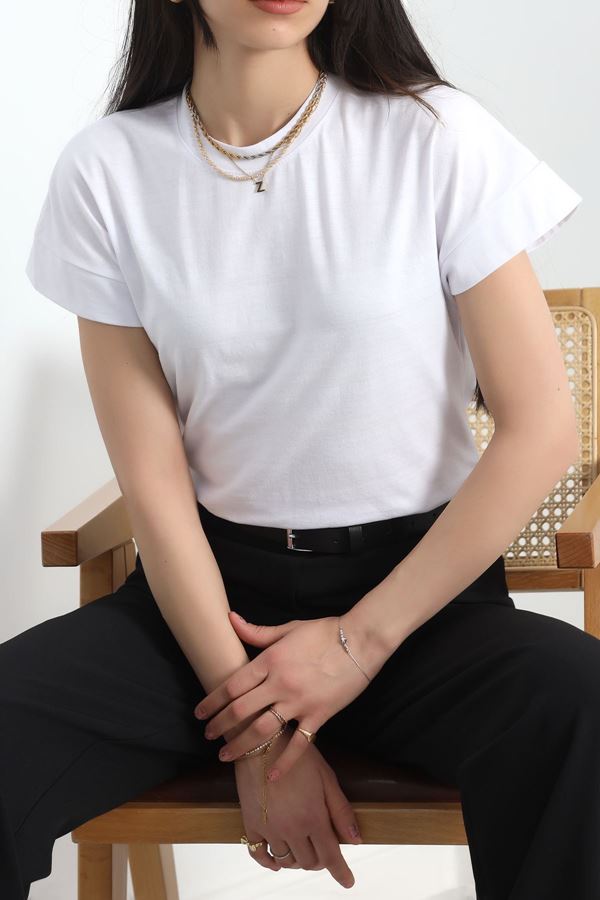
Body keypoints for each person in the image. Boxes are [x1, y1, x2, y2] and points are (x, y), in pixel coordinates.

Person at [8, 0, 596, 897]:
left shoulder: (436, 137)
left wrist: (356, 644)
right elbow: (154, 486)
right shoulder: (107, 171)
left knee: (581, 706)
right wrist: (256, 733)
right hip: (206, 618)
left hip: (421, 611)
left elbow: (542, 428)